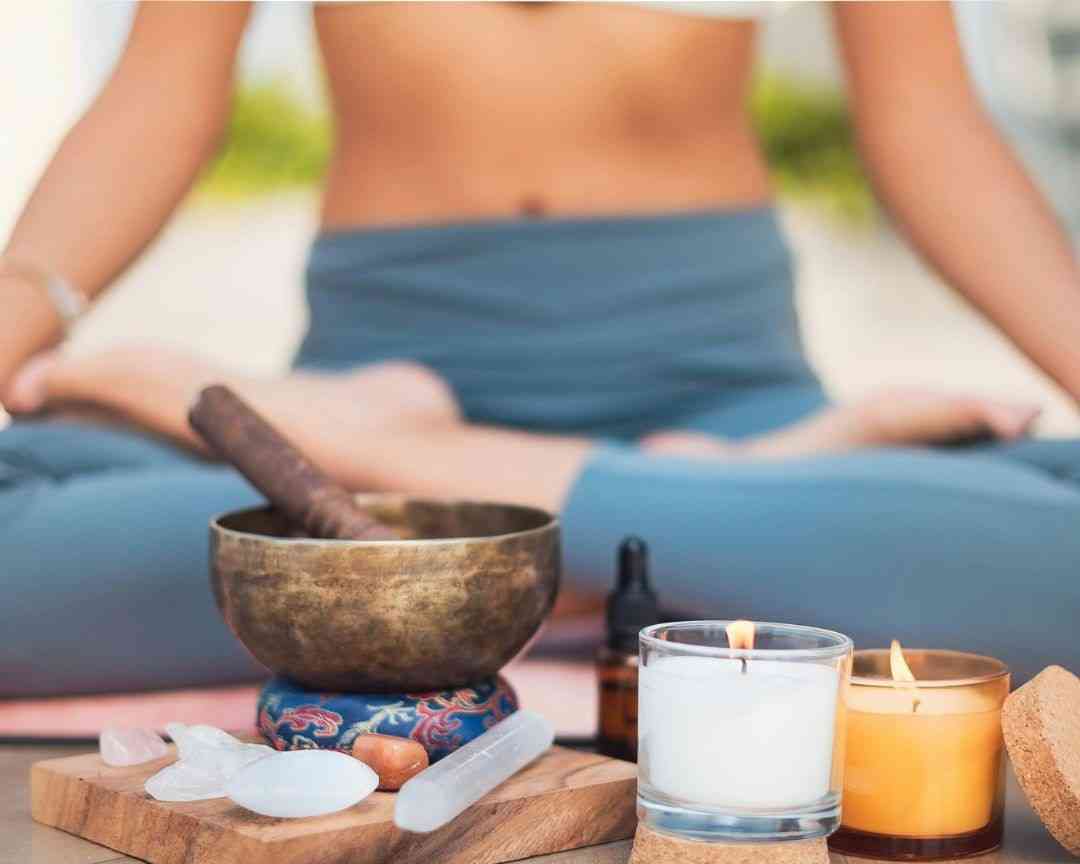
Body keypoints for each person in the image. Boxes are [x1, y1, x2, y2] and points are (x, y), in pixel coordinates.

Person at [1, 0, 1079, 696]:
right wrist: (18, 307)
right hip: (387, 369)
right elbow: (161, 82)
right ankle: (699, 538)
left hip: (709, 401)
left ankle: (436, 483)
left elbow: (927, 117)